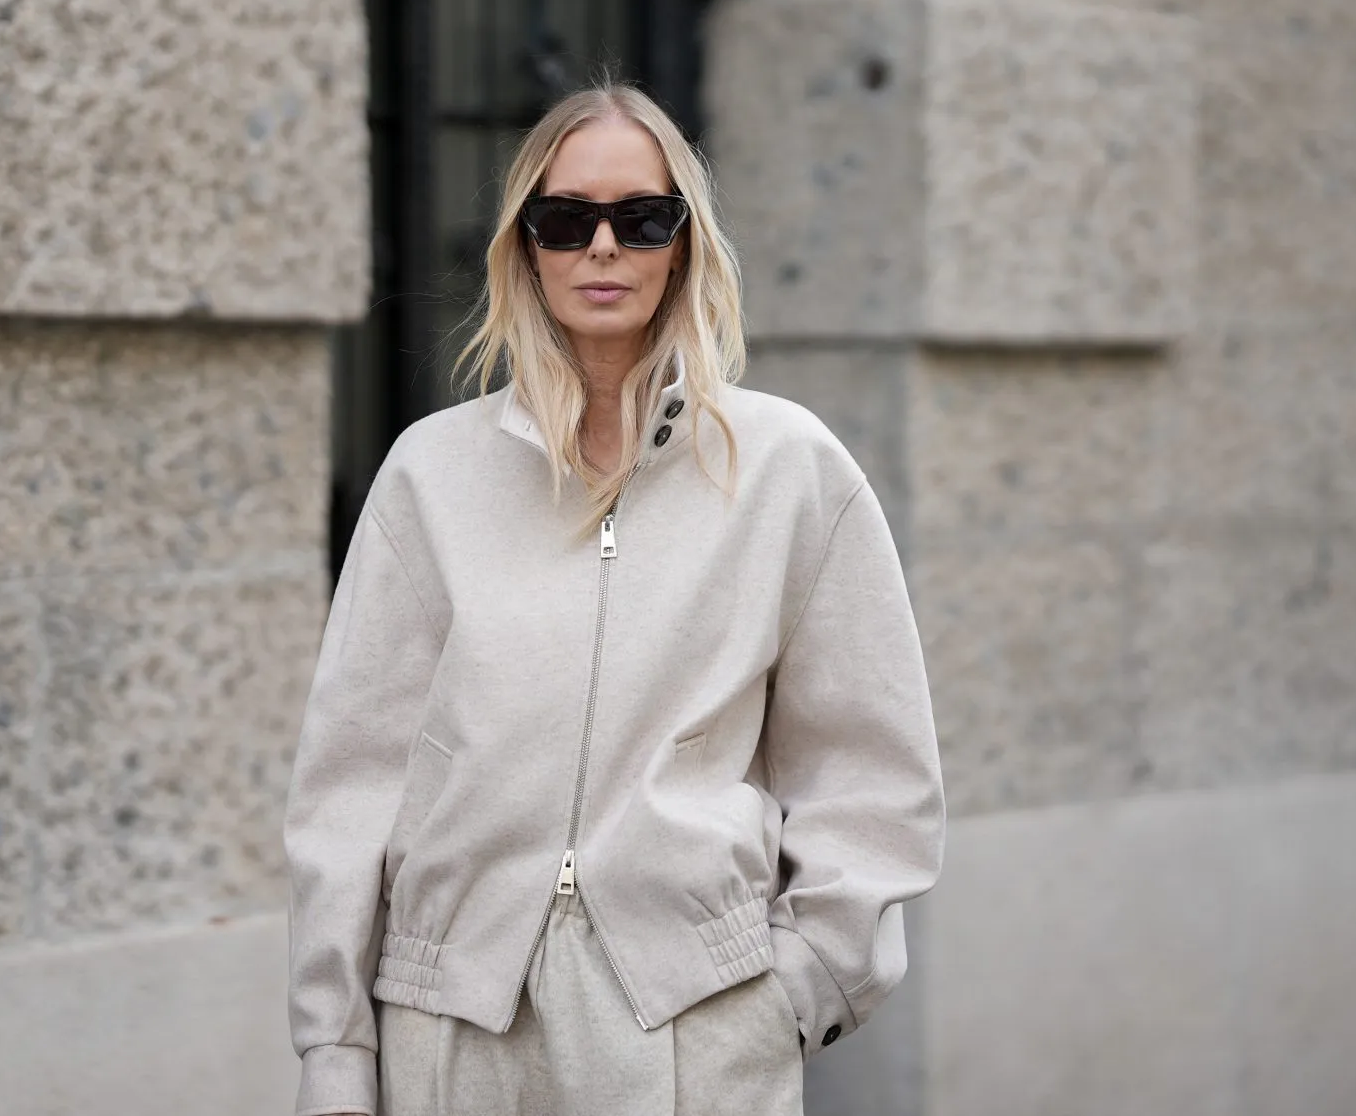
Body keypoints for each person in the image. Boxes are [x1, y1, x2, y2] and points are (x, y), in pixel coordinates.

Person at [282, 81, 945, 1116]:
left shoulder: (787, 468)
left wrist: (803, 983)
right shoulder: (431, 475)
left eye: (641, 219)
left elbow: (871, 764)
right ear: (526, 246)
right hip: (450, 1022)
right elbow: (351, 780)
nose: (602, 246)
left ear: (682, 244)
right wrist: (334, 1050)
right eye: (565, 219)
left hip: (694, 1021)